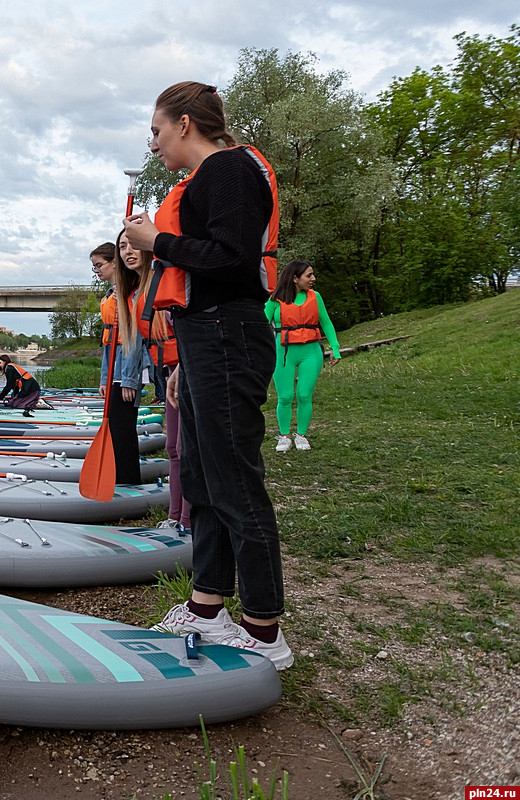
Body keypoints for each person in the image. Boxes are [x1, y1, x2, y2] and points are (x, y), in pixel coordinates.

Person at [121, 81, 293, 669]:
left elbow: (234, 260)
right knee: (199, 474)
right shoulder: (204, 181)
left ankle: (265, 628)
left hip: (228, 333)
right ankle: (206, 605)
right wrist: (179, 364)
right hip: (201, 339)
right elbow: (202, 263)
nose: (155, 143)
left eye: (157, 130)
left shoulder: (228, 171)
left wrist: (160, 239)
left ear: (186, 124)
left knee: (234, 478)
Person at [118, 231, 191, 530]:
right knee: (173, 448)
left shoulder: (164, 281)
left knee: (186, 449)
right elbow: (136, 346)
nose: (128, 251)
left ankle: (189, 518)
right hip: (166, 374)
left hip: (186, 369)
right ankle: (175, 517)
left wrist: (181, 368)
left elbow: (188, 330)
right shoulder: (133, 294)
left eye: (134, 244)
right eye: (122, 246)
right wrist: (131, 380)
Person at [265, 259, 342, 452]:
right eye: (309, 275)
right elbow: (259, 324)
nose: (313, 278)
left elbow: (327, 323)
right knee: (285, 396)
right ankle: (284, 436)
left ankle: (301, 435)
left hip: (311, 351)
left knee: (304, 395)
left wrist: (335, 348)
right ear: (294, 278)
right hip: (284, 352)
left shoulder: (315, 297)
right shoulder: (275, 300)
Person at [91, 240, 146, 485]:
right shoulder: (110, 295)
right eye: (94, 267)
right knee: (114, 428)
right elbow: (108, 343)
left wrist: (129, 380)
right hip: (113, 369)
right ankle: (118, 476)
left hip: (125, 371)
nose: (97, 271)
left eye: (99, 265)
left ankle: (127, 480)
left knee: (123, 429)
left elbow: (133, 338)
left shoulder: (129, 294)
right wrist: (105, 378)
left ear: (115, 263)